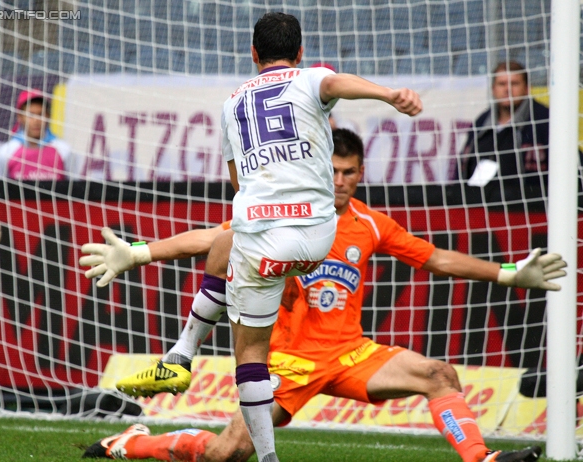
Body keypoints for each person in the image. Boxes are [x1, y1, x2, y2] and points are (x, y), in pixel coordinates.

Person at [80, 129, 565, 462]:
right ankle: (134, 442)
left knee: (438, 374)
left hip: (350, 354)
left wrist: (508, 275)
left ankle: (480, 457)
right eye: (331, 170)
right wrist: (140, 253)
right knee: (223, 454)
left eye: (348, 172)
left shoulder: (372, 224)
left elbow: (435, 258)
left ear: (360, 174)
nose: (338, 181)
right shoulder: (285, 213)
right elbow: (211, 239)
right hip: (286, 364)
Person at [84, 12, 419, 462]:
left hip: (262, 244)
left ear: (253, 54)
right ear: (300, 54)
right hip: (320, 234)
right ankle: (182, 361)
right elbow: (336, 84)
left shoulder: (231, 106)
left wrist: (141, 252)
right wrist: (388, 95)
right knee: (232, 242)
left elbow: (237, 184)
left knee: (250, 348)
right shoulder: (311, 78)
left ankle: (185, 361)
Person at [461, 61, 549, 191]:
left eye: (514, 83)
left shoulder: (545, 120)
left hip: (533, 208)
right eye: (502, 84)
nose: (507, 89)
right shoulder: (481, 123)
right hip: (481, 207)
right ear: (493, 89)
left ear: (527, 88)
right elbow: (462, 169)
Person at [0, 88, 71, 180]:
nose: (36, 120)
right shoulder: (6, 152)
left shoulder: (64, 150)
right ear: (20, 117)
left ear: (48, 116)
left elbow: (75, 189)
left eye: (40, 114)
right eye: (31, 115)